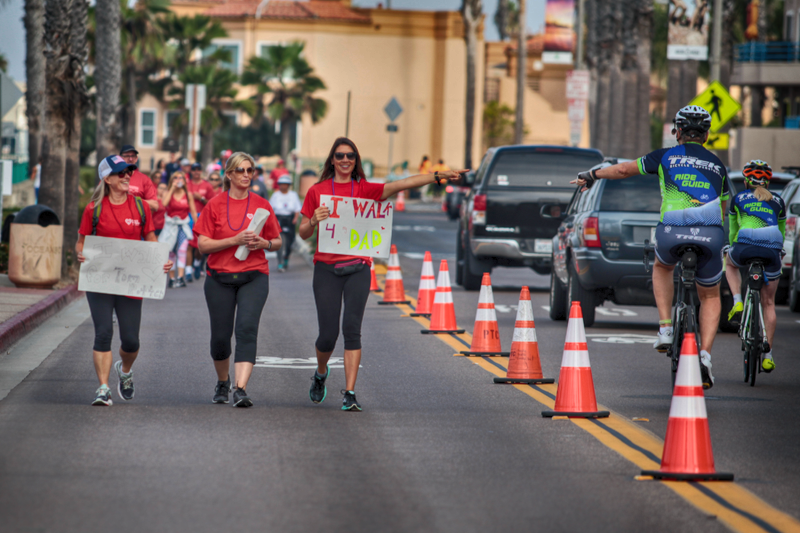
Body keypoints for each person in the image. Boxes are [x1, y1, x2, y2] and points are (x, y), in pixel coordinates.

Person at [299, 137, 465, 411]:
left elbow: (402, 184)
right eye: (339, 156)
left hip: (358, 268)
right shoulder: (318, 191)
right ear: (332, 160)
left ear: (356, 160)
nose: (344, 160)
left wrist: (438, 176)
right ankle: (320, 372)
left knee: (352, 330)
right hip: (326, 269)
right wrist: (314, 220)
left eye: (350, 156)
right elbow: (303, 231)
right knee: (327, 335)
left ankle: (349, 393)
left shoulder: (364, 188)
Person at [574, 105, 729, 389]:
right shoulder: (718, 165)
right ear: (706, 136)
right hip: (710, 234)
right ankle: (705, 355)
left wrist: (592, 175)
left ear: (677, 132)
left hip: (672, 232)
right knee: (709, 296)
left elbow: (623, 169)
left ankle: (666, 328)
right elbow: (723, 206)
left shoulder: (665, 156)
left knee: (661, 266)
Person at [75, 155, 173, 406]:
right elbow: (82, 241)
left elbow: (150, 239)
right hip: (100, 280)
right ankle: (103, 388)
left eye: (129, 171)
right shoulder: (93, 208)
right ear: (106, 179)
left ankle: (125, 371)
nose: (127, 176)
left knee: (131, 341)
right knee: (103, 333)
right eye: (121, 173)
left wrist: (161, 258)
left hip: (131, 281)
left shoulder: (139, 207)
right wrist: (80, 253)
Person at [195, 152, 282, 408]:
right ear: (229, 174)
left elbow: (277, 242)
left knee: (246, 330)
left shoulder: (262, 205)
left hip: (253, 276)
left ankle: (240, 389)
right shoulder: (214, 205)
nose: (246, 175)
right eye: (241, 170)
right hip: (219, 278)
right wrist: (234, 241)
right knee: (220, 338)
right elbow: (202, 245)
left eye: (250, 170)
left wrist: (263, 243)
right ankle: (223, 380)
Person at [726, 160, 786, 373]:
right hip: (771, 248)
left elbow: (733, 232)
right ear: (767, 182)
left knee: (730, 264)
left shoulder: (738, 199)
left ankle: (737, 301)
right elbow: (782, 233)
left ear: (745, 181)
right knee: (768, 303)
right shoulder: (778, 201)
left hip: (745, 245)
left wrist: (731, 247)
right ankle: (768, 355)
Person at [159, 171, 197, 288]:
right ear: (171, 180)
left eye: (181, 178)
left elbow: (193, 211)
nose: (178, 179)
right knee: (170, 252)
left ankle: (180, 277)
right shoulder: (168, 192)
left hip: (183, 226)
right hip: (170, 225)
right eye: (175, 177)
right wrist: (172, 189)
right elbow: (164, 203)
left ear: (184, 181)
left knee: (182, 251)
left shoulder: (188, 194)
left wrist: (197, 225)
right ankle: (171, 278)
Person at [186, 163, 215, 281]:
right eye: (194, 170)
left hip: (202, 217)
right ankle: (188, 271)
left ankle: (197, 263)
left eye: (199, 170)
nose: (196, 172)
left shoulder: (207, 185)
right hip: (188, 216)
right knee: (188, 243)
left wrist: (201, 198)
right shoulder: (186, 184)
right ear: (191, 171)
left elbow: (212, 203)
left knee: (199, 244)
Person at [270, 174, 302, 272]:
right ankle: (280, 262)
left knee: (290, 241)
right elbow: (270, 209)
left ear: (289, 185)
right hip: (279, 218)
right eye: (282, 184)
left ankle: (286, 256)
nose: (284, 186)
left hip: (290, 218)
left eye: (286, 184)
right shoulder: (275, 195)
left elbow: (297, 208)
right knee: (279, 241)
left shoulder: (293, 195)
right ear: (279, 185)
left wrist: (295, 218)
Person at [119, 144, 158, 212]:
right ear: (119, 158)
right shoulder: (111, 177)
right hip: (115, 219)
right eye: (127, 156)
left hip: (135, 220)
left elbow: (155, 205)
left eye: (133, 156)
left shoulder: (144, 179)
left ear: (136, 159)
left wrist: (134, 201)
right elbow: (99, 199)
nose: (130, 159)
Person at [149, 171, 166, 237]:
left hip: (165, 227)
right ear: (157, 189)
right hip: (155, 226)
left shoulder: (167, 200)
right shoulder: (154, 200)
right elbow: (150, 214)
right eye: (161, 188)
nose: (162, 190)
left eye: (164, 188)